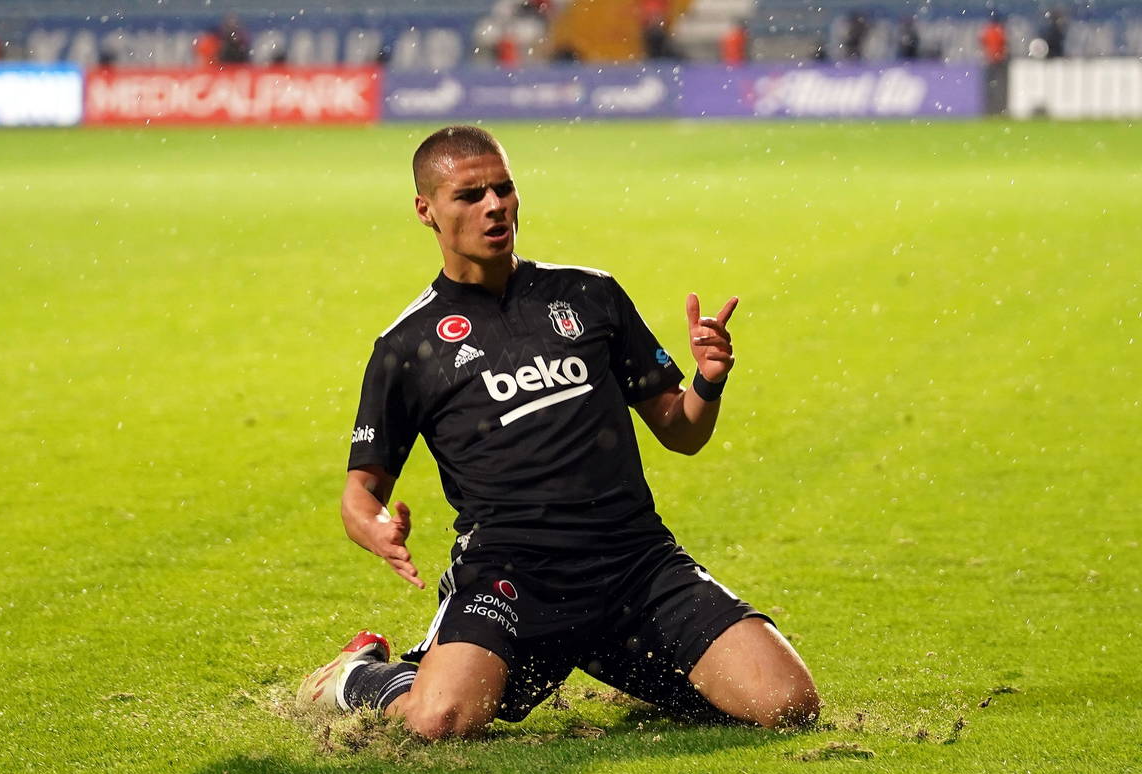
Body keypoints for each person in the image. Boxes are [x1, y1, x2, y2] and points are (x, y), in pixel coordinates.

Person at [298, 126, 821, 740]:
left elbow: (680, 432)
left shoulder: (589, 294)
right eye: (469, 195)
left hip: (634, 560)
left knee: (788, 705)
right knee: (439, 720)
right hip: (512, 573)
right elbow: (360, 491)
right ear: (426, 211)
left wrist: (707, 382)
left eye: (504, 188)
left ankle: (618, 653)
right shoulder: (407, 347)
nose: (495, 206)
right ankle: (360, 676)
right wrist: (378, 530)